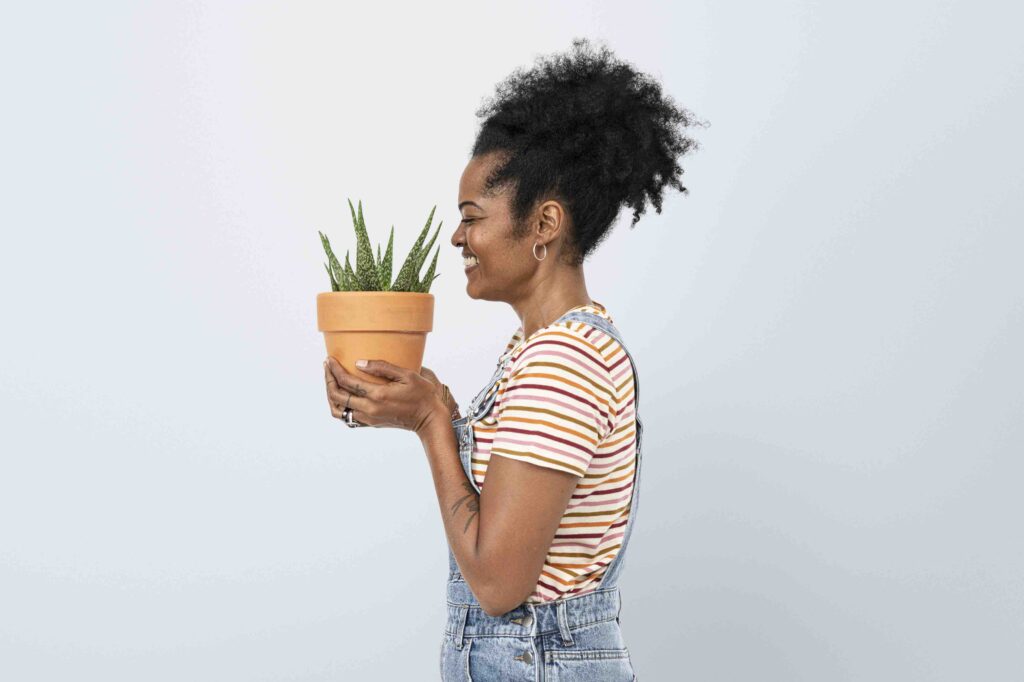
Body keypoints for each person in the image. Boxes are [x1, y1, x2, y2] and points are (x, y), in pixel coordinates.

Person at [323, 37, 704, 681]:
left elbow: (499, 583)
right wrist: (431, 407)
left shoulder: (563, 361)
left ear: (544, 225)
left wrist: (430, 425)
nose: (458, 236)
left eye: (472, 217)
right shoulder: (547, 349)